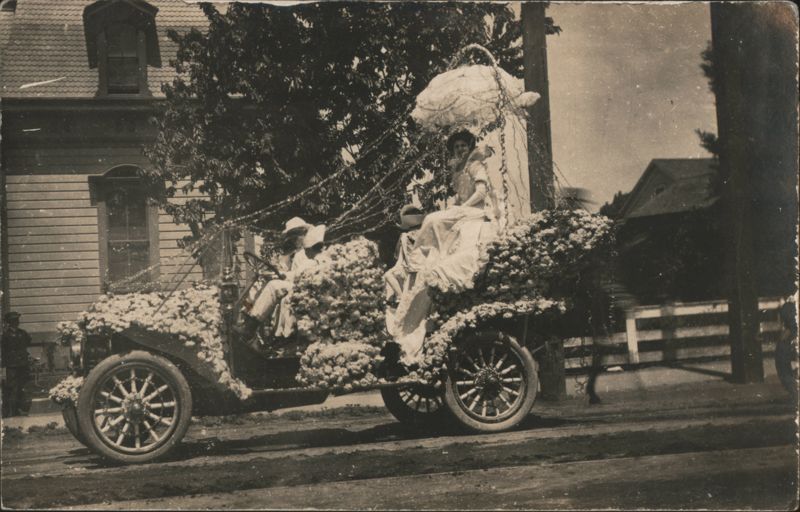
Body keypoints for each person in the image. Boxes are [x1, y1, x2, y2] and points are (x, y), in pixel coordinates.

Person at [387, 129, 501, 364]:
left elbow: (481, 192)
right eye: (456, 147)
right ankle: (425, 258)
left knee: (432, 220)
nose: (459, 150)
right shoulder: (459, 170)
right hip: (466, 209)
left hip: (479, 212)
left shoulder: (476, 165)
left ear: (470, 147)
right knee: (434, 219)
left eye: (463, 146)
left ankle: (426, 258)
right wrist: (456, 206)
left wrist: (460, 208)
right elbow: (461, 197)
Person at [238, 223, 327, 341]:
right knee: (258, 289)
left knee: (273, 286)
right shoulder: (293, 254)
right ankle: (246, 317)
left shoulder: (319, 258)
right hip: (298, 283)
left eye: (298, 234)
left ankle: (251, 328)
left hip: (308, 288)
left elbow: (299, 274)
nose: (295, 239)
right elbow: (295, 273)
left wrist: (283, 275)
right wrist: (279, 273)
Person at [384, 204, 426, 303]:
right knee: (390, 275)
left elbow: (401, 258)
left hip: (414, 268)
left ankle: (400, 297)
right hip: (418, 267)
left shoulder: (405, 236)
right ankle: (400, 297)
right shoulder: (423, 233)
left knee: (389, 275)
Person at [2, 311, 32, 417]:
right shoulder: (5, 335)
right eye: (14, 320)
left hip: (23, 364)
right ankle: (13, 411)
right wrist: (3, 366)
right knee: (12, 387)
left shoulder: (23, 333)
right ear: (9, 322)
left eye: (17, 320)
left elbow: (28, 342)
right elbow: (4, 351)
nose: (16, 322)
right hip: (12, 365)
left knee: (22, 386)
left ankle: (22, 408)